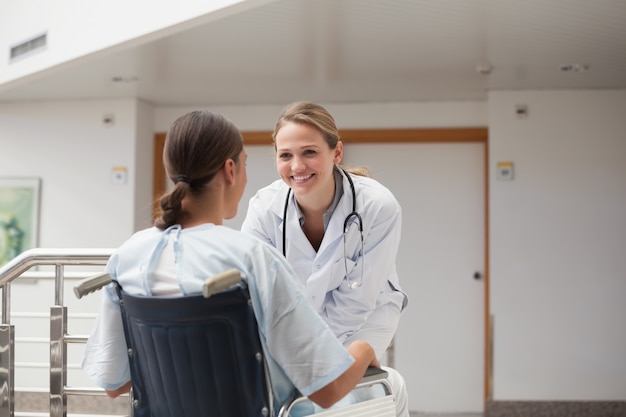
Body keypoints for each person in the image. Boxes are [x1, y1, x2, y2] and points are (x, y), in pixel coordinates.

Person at [81, 110, 382, 415]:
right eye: (245, 164)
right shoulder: (252, 260)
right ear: (230, 170)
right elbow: (326, 389)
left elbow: (114, 384)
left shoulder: (129, 256)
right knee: (390, 388)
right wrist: (364, 348)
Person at [241, 101, 409, 416]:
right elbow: (256, 292)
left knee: (352, 401)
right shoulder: (264, 208)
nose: (297, 166)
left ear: (337, 152)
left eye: (309, 152)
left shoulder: (378, 206)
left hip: (363, 320)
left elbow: (357, 302)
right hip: (292, 332)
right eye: (285, 155)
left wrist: (311, 364)